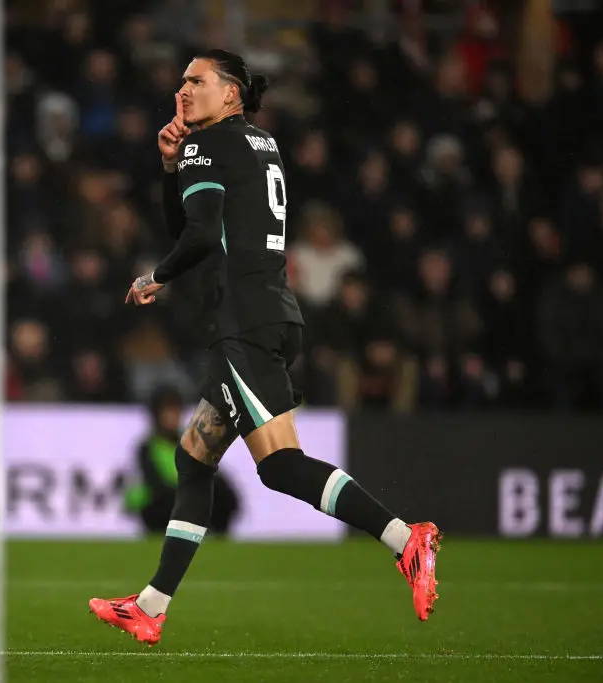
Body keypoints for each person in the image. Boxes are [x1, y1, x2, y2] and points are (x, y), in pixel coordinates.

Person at [88, 49, 441, 646]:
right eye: (181, 82)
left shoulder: (208, 145)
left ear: (230, 93)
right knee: (193, 457)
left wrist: (157, 275)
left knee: (279, 465)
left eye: (197, 81)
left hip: (244, 322)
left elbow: (196, 235)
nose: (183, 90)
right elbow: (200, 226)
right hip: (269, 312)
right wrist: (172, 167)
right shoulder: (260, 142)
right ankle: (149, 606)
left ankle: (407, 540)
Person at [124, 385, 240, 536]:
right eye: (168, 412)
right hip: (162, 500)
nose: (173, 417)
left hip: (185, 494)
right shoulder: (147, 447)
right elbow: (154, 483)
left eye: (176, 411)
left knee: (221, 491)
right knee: (168, 499)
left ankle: (217, 535)